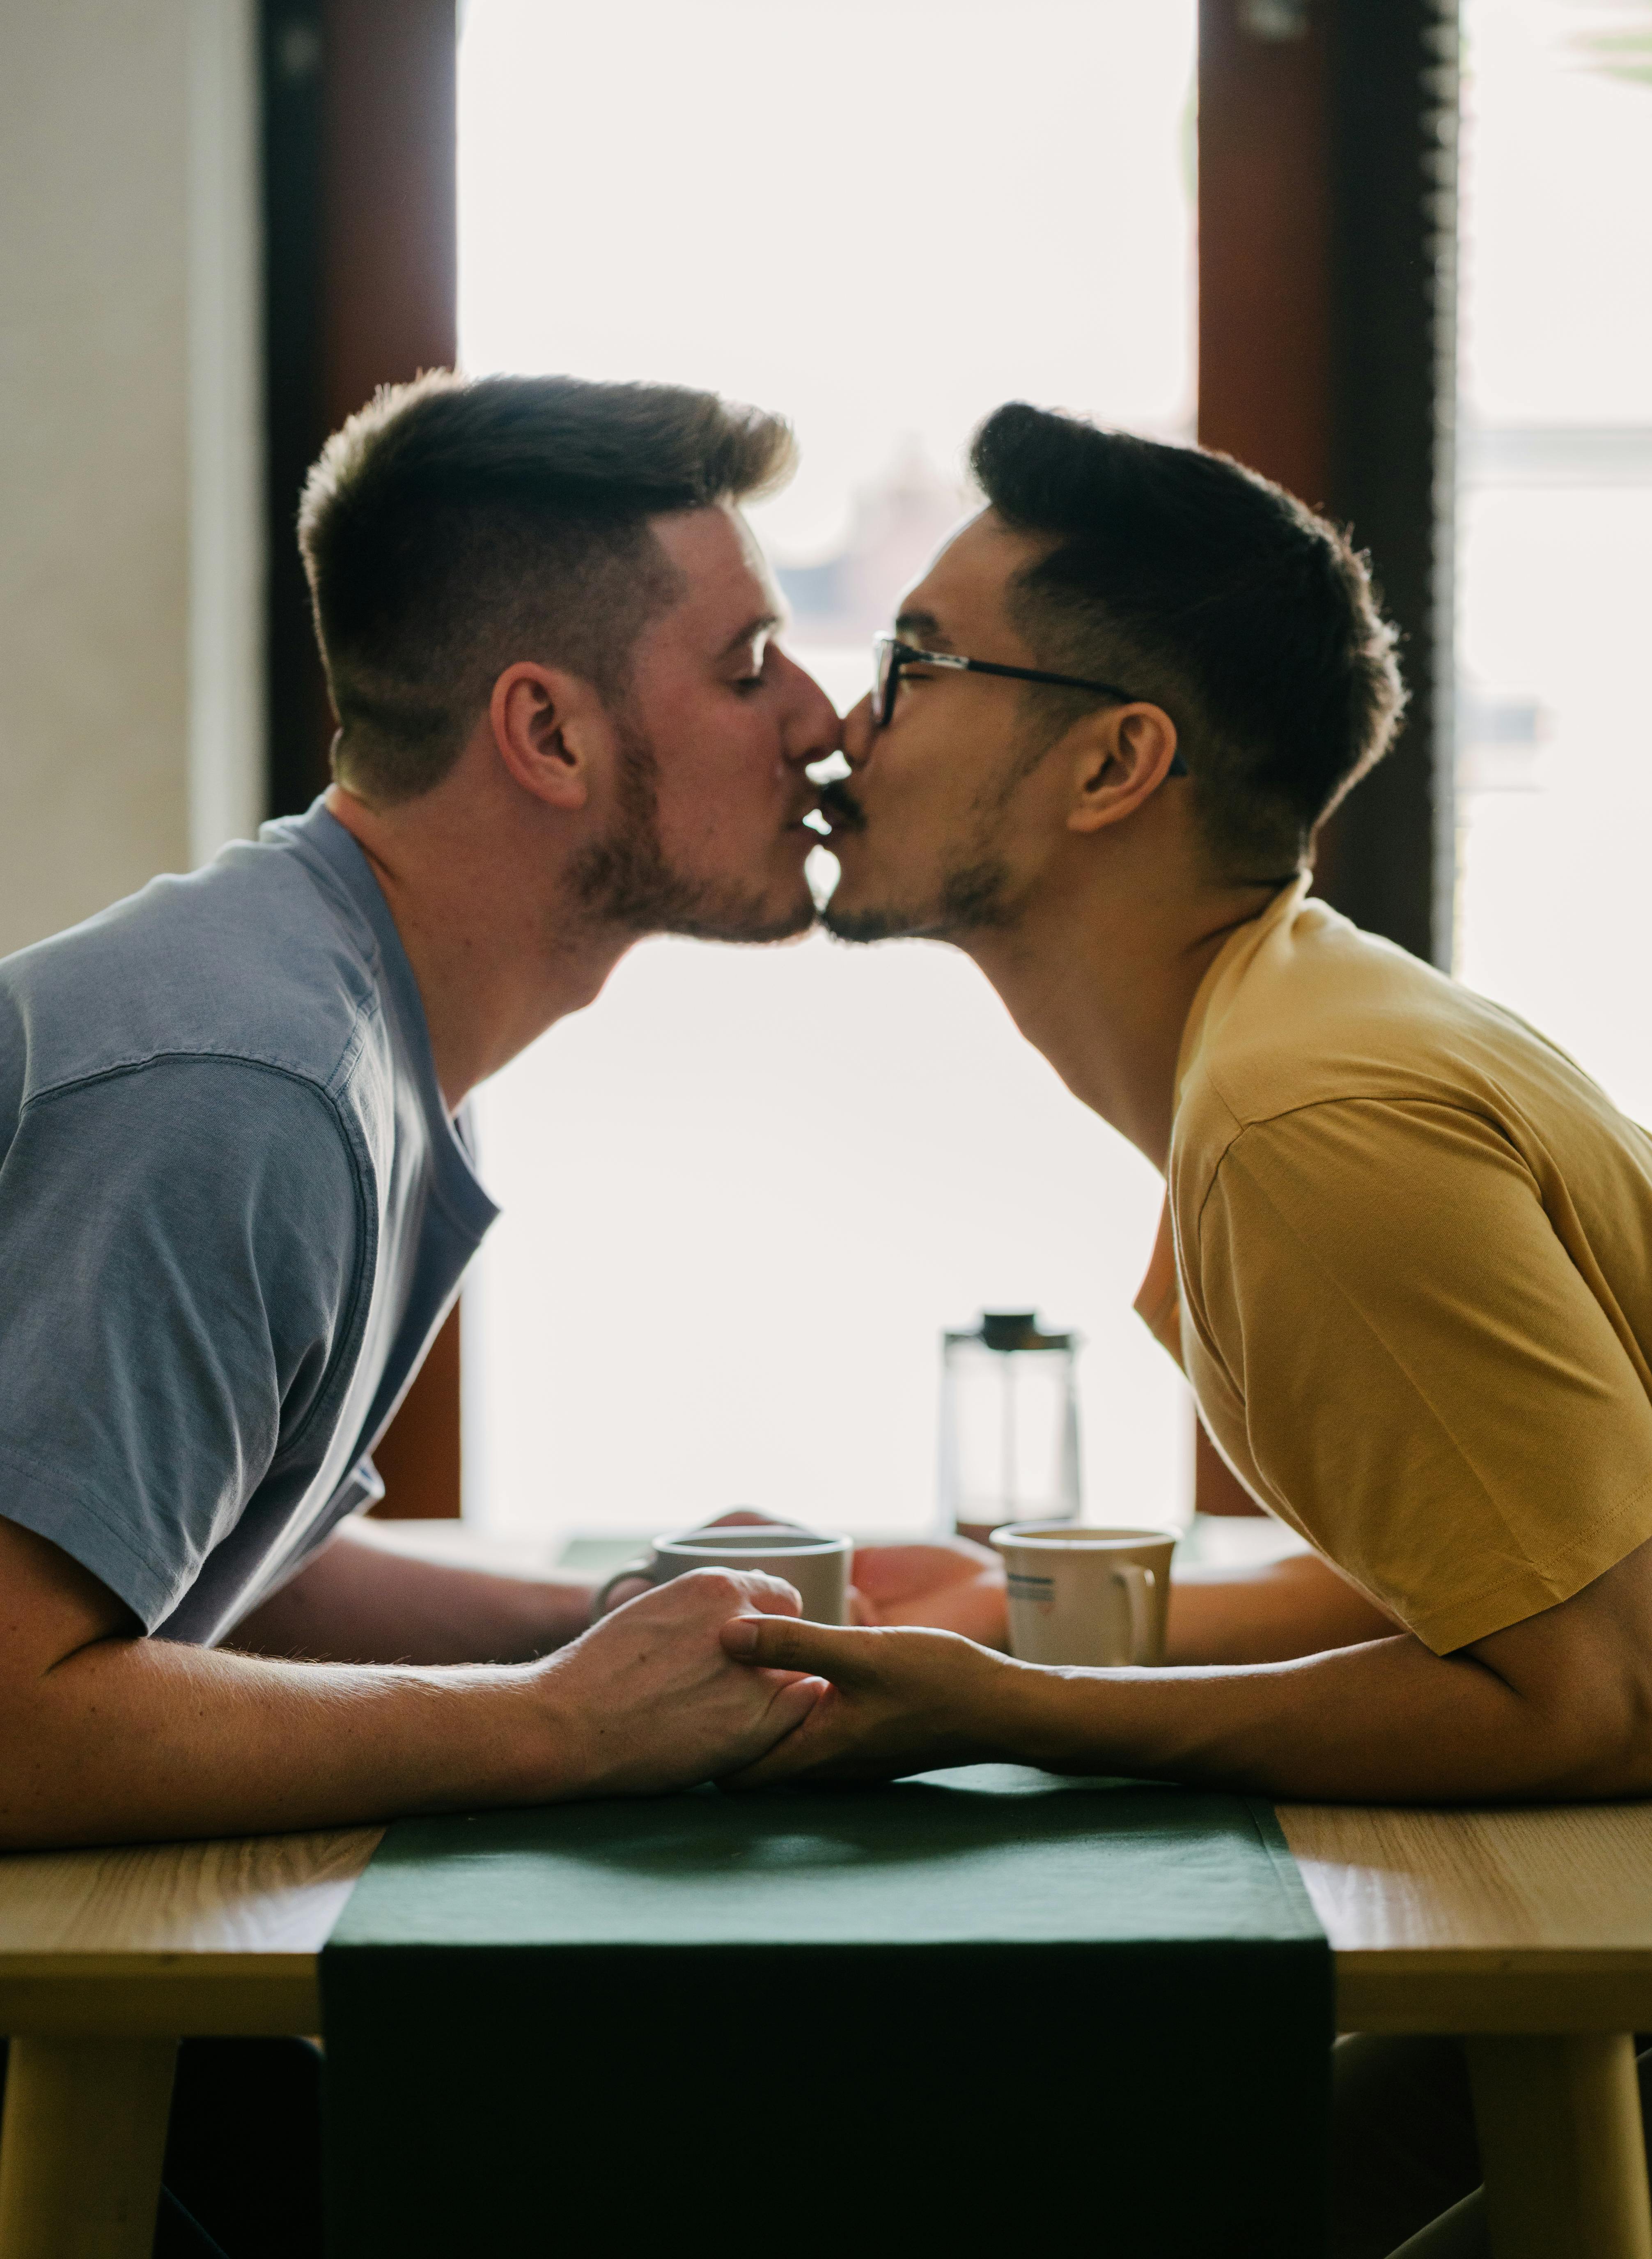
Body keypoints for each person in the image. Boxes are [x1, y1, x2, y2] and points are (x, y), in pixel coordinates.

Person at [722, 398, 1652, 1802]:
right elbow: (1489, 1577)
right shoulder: (1307, 1026)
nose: (850, 726)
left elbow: (1601, 1698)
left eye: (915, 662)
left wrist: (1024, 1709)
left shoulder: (1303, 1119)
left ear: (1113, 765)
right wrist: (1004, 1611)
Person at [0, 370, 844, 1866]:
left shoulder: (348, 1016)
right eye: (749, 663)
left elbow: (207, 1563)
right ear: (549, 734)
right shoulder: (250, 1089)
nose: (821, 717)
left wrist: (623, 1622)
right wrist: (560, 1725)